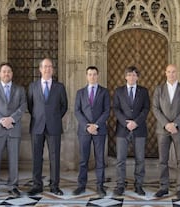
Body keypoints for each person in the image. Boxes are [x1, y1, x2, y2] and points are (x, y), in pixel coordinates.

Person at [0, 63, 27, 197]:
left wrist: (11, 119)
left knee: (14, 159)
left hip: (13, 128)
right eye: (4, 71)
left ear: (12, 74)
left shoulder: (19, 89)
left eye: (9, 71)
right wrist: (2, 120)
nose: (6, 74)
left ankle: (13, 186)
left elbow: (23, 106)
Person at [27, 58, 68, 196]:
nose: (47, 69)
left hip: (54, 126)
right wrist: (40, 117)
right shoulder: (32, 86)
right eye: (45, 67)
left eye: (50, 67)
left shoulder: (59, 87)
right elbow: (30, 105)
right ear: (40, 69)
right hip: (37, 126)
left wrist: (55, 118)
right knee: (36, 157)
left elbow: (64, 106)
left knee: (54, 157)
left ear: (53, 69)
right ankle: (37, 185)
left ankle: (54, 186)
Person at [152, 64, 180, 199]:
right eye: (169, 72)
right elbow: (155, 108)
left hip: (178, 129)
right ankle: (163, 186)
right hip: (163, 130)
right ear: (165, 73)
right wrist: (166, 124)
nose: (171, 74)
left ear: (177, 73)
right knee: (163, 160)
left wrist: (174, 124)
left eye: (174, 72)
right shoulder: (159, 89)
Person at [74, 66, 110, 198]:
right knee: (83, 160)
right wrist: (87, 126)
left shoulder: (104, 92)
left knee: (100, 159)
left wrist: (96, 125)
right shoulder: (80, 92)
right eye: (90, 74)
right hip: (84, 131)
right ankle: (81, 185)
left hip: (99, 131)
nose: (92, 77)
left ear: (98, 76)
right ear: (86, 76)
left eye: (94, 74)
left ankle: (100, 186)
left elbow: (107, 111)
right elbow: (77, 111)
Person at [113, 66, 150, 196]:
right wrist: (125, 122)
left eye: (134, 75)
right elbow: (116, 109)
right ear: (125, 76)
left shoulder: (144, 91)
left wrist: (136, 122)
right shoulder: (118, 91)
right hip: (123, 130)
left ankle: (139, 185)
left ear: (137, 77)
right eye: (129, 75)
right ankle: (120, 185)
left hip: (139, 129)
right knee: (120, 159)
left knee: (140, 159)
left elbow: (146, 109)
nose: (132, 77)